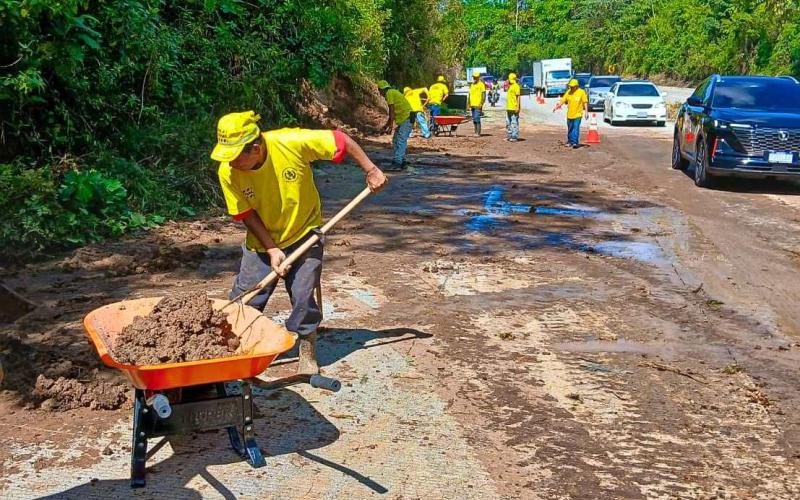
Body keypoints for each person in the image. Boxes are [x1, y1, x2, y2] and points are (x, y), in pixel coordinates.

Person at [210, 111, 388, 375]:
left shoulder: (291, 142)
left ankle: (307, 347)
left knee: (303, 295)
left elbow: (340, 139)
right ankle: (231, 350)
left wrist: (371, 170)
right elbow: (246, 213)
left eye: (235, 157)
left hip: (305, 233)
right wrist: (272, 249)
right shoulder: (229, 172)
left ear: (255, 149)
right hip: (261, 242)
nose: (230, 163)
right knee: (245, 299)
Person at [378, 80, 414, 168]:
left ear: (381, 89)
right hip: (406, 118)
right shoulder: (392, 92)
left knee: (401, 139)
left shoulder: (389, 93)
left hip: (407, 118)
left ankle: (397, 162)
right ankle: (401, 160)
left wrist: (390, 126)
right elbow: (392, 115)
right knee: (396, 139)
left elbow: (392, 111)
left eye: (380, 91)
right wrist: (386, 125)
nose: (380, 94)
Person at [553, 78, 588, 148]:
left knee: (576, 128)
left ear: (576, 86)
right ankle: (570, 141)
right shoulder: (568, 92)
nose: (571, 87)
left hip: (578, 114)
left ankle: (575, 142)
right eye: (570, 86)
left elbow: (585, 102)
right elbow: (563, 100)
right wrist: (557, 106)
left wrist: (586, 112)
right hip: (570, 114)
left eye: (572, 86)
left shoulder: (581, 92)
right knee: (570, 128)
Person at [468, 70, 486, 137]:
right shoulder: (472, 85)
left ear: (478, 77)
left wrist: (481, 103)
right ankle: (475, 132)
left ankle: (478, 133)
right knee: (474, 119)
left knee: (477, 118)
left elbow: (483, 95)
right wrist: (468, 103)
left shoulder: (481, 85)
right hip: (472, 105)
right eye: (473, 77)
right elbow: (469, 95)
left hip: (478, 105)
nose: (474, 78)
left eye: (475, 77)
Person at [506, 73, 521, 142]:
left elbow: (518, 97)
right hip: (508, 107)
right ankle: (509, 136)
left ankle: (514, 136)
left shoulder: (516, 86)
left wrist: (518, 107)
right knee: (508, 122)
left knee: (514, 123)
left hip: (514, 107)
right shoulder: (509, 86)